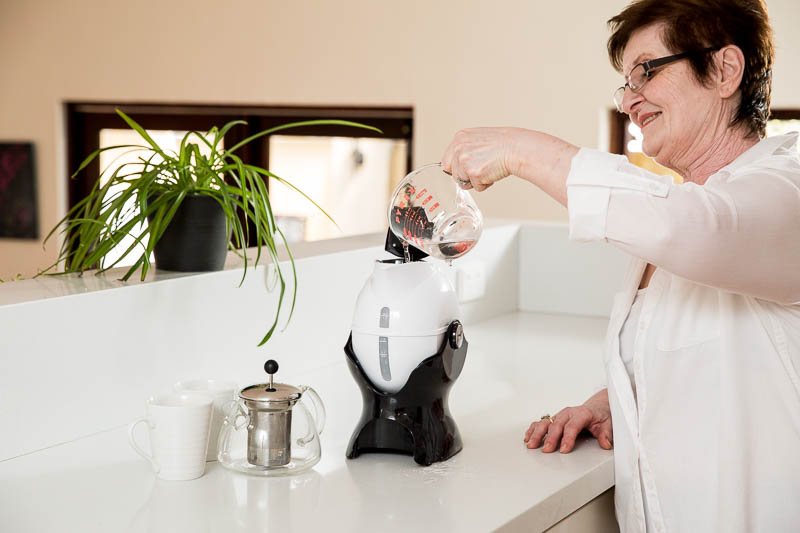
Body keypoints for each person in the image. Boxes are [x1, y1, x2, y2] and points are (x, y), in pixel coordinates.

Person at [441, 0, 800, 531]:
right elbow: (722, 354)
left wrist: (523, 150)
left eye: (647, 71)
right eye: (626, 81)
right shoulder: (684, 210)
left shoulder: (785, 186)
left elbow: (698, 231)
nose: (630, 99)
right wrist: (617, 399)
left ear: (725, 70)